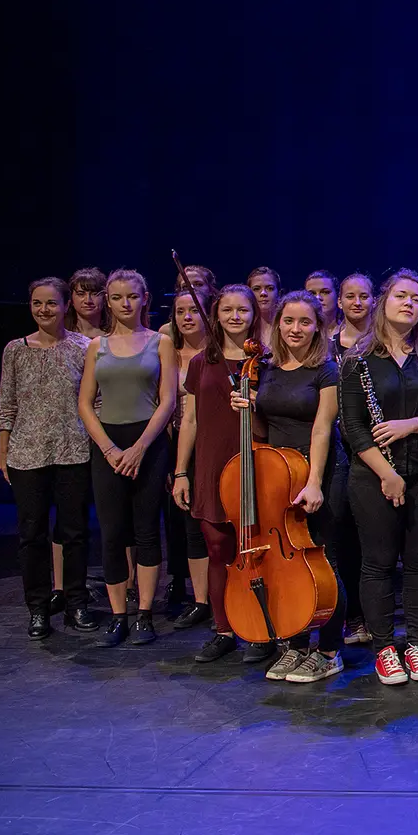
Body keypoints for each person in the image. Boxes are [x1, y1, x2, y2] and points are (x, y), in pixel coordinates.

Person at [339, 270, 418, 686]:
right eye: (401, 296)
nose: (409, 304)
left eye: (417, 299)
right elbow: (353, 427)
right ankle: (385, 648)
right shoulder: (357, 359)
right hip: (374, 474)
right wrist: (387, 474)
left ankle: (417, 643)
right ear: (383, 301)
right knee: (379, 562)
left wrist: (411, 425)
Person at [240, 291, 344, 683]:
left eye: (304, 322)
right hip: (278, 474)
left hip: (320, 472)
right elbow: (266, 428)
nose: (295, 329)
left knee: (324, 563)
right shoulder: (266, 368)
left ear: (317, 326)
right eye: (288, 321)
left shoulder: (326, 370)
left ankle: (329, 651)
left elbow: (322, 428)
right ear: (278, 324)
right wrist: (247, 411)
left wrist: (314, 482)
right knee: (287, 565)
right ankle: (296, 645)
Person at [77, 270, 177, 648]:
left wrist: (139, 448)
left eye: (132, 296)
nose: (125, 304)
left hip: (148, 443)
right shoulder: (97, 346)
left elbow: (167, 400)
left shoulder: (160, 342)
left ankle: (144, 614)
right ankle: (119, 615)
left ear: (144, 298)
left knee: (147, 530)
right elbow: (85, 403)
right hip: (108, 445)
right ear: (108, 300)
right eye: (117, 297)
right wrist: (109, 449)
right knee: (113, 532)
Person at [172, 285, 268, 665]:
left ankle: (261, 628)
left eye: (242, 310)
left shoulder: (267, 361)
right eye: (227, 310)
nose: (234, 317)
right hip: (212, 465)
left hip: (255, 465)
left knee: (257, 550)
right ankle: (224, 630)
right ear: (216, 314)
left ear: (254, 314)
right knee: (218, 552)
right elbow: (190, 420)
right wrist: (181, 471)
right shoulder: (202, 362)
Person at [0, 277, 97, 638]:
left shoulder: (84, 347)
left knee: (74, 534)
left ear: (65, 306)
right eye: (37, 303)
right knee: (31, 535)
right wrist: (3, 450)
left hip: (73, 450)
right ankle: (38, 609)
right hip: (27, 454)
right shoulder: (15, 349)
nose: (44, 310)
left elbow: (95, 400)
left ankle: (76, 604)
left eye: (51, 303)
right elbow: (7, 404)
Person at [164, 287, 212, 629]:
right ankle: (200, 599)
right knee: (188, 524)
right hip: (176, 441)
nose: (187, 317)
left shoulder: (217, 352)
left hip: (214, 442)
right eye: (180, 312)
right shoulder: (167, 350)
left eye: (193, 310)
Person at [329, 273, 373, 644]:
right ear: (340, 301)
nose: (356, 302)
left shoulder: (381, 343)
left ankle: (374, 614)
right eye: (349, 296)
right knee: (343, 537)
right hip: (337, 448)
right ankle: (352, 615)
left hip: (372, 444)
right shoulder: (327, 344)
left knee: (370, 537)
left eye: (364, 296)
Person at [65, 267, 107, 339]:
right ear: (71, 299)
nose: (88, 301)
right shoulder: (59, 335)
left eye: (94, 294)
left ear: (105, 298)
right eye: (81, 294)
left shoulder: (115, 336)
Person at [247, 266, 282, 346]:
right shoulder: (244, 328)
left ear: (279, 293)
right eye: (256, 289)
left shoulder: (288, 327)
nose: (263, 293)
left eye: (270, 288)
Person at [304, 270, 341, 339]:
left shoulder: (350, 334)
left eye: (325, 292)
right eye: (312, 293)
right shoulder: (300, 333)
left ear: (338, 297)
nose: (318, 297)